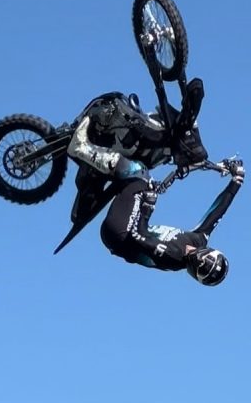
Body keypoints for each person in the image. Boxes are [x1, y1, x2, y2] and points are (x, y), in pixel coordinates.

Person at [68, 103, 244, 286]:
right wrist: (237, 180)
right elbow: (217, 211)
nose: (200, 264)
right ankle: (90, 187)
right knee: (139, 174)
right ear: (210, 252)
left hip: (121, 235)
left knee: (138, 174)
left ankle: (81, 148)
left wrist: (147, 208)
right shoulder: (198, 239)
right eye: (206, 265)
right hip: (125, 229)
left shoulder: (173, 257)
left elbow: (137, 235)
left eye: (202, 271)